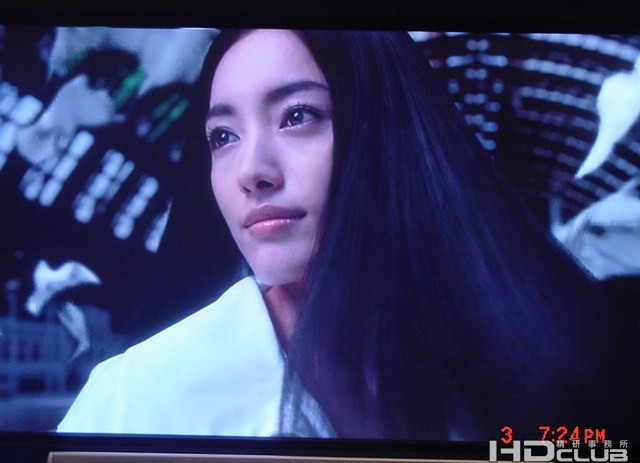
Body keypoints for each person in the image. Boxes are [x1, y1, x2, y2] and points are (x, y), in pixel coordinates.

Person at [58, 29, 639, 440]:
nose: (251, 171)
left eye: (297, 116)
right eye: (223, 137)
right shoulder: (136, 398)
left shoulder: (540, 378)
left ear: (383, 135)